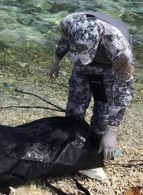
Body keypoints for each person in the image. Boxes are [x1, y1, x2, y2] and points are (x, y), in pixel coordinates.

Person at [49, 10, 134, 160]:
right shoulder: (69, 23)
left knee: (103, 113)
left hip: (109, 66)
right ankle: (72, 140)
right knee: (75, 107)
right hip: (82, 64)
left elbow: (124, 90)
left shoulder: (119, 47)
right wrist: (56, 61)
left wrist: (112, 130)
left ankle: (97, 144)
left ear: (100, 37)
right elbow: (64, 41)